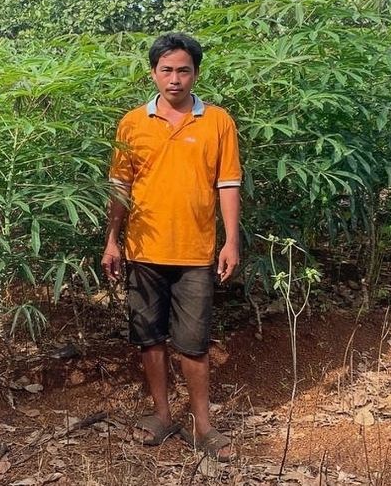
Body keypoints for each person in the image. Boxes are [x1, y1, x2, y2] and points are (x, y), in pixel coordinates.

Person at [101, 32, 242, 461]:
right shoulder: (132, 122)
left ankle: (203, 425)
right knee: (149, 339)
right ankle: (162, 415)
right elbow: (120, 186)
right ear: (153, 73)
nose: (175, 79)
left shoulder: (218, 121)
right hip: (143, 250)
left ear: (196, 73)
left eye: (183, 70)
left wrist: (230, 240)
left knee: (195, 343)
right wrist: (112, 240)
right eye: (167, 70)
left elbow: (228, 183)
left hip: (196, 252)